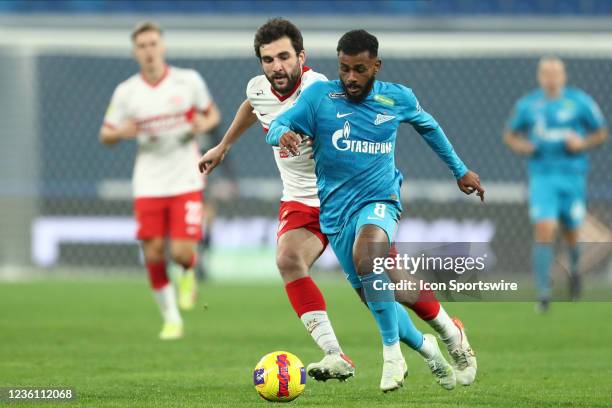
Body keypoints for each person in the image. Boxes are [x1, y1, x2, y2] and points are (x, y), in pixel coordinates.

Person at [266, 29, 483, 392]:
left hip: (380, 201)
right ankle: (447, 332)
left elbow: (429, 127)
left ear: (376, 66)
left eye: (360, 69)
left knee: (369, 257)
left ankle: (392, 357)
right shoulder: (321, 96)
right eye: (345, 69)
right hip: (335, 215)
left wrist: (459, 170)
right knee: (385, 288)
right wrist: (281, 134)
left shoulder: (396, 98)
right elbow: (279, 123)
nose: (351, 78)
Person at [199, 18, 355, 382]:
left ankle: (441, 332)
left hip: (345, 196)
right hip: (301, 199)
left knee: (376, 282)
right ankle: (335, 354)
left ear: (302, 56)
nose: (276, 67)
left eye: (284, 57)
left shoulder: (320, 88)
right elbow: (253, 106)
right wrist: (223, 147)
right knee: (287, 259)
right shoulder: (258, 88)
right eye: (268, 60)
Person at [99, 21, 221, 340]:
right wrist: (120, 132)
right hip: (149, 181)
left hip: (185, 178)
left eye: (153, 44)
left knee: (181, 253)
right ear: (135, 52)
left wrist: (199, 126)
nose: (149, 51)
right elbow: (106, 133)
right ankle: (171, 319)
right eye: (142, 46)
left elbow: (212, 115)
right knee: (152, 252)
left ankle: (188, 272)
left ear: (162, 47)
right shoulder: (127, 92)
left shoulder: (188, 81)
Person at [504, 56, 607, 312]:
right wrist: (523, 147)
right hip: (543, 177)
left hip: (572, 177)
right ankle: (543, 293)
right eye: (546, 73)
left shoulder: (579, 102)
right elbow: (510, 134)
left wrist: (581, 144)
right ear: (540, 77)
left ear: (563, 76)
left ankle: (574, 273)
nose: (551, 78)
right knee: (545, 228)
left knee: (572, 233)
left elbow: (601, 132)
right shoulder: (529, 105)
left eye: (555, 73)